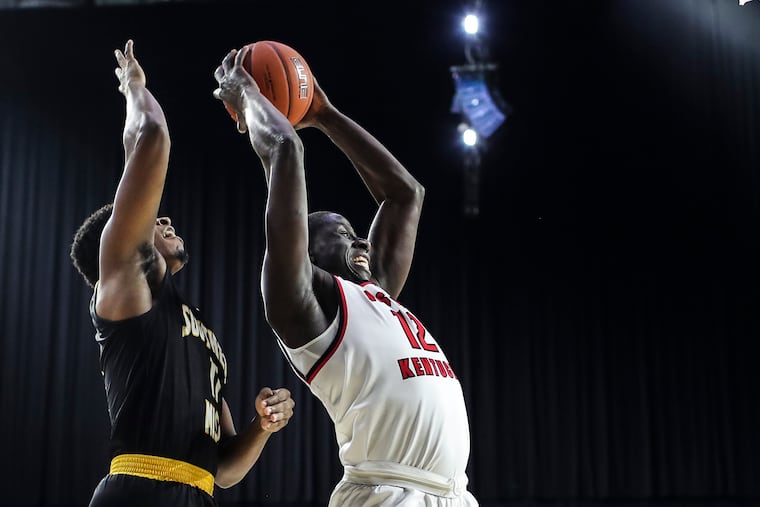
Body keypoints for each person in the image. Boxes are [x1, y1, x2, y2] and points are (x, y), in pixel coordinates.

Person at [213, 46, 479, 506]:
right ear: (306, 252)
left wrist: (325, 114)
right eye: (343, 234)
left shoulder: (378, 295)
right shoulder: (303, 306)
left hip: (452, 494)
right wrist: (247, 94)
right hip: (387, 493)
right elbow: (284, 148)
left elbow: (405, 194)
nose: (361, 243)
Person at [69, 40, 295, 506]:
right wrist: (134, 88)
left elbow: (226, 470)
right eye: (152, 219)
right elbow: (150, 138)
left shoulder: (195, 327)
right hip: (139, 489)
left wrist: (261, 426)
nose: (164, 218)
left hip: (198, 494)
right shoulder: (126, 286)